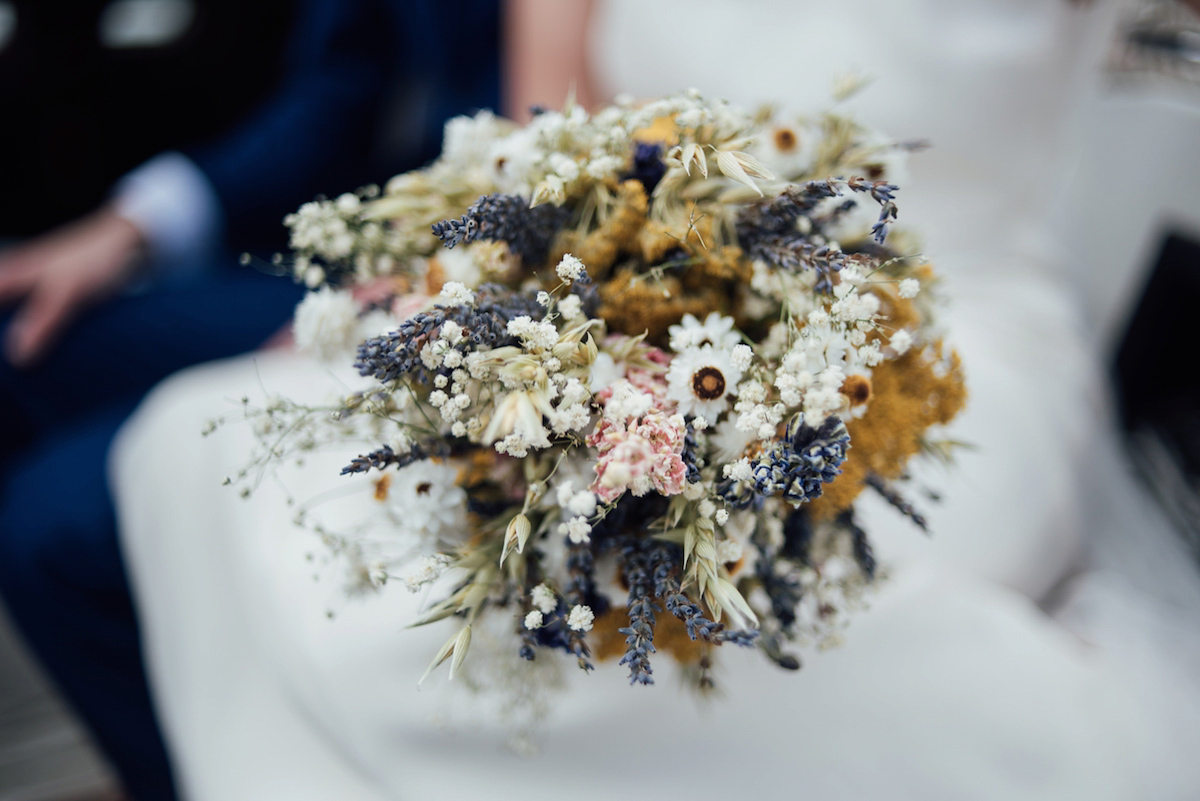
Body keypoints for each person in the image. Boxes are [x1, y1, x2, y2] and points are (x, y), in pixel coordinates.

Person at [108, 0, 1200, 799]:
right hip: (646, 297)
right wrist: (467, 289)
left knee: (582, 602)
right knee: (190, 453)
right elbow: (548, 153)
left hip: (948, 347)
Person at [0, 1, 502, 798]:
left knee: (50, 526)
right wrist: (131, 227)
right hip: (380, 257)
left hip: (508, 283)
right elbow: (339, 85)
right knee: (20, 353)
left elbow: (544, 153)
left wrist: (455, 286)